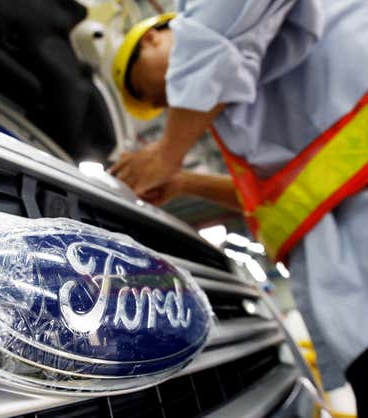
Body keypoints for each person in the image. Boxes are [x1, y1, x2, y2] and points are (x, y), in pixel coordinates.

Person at [108, 1, 368, 415]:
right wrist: (181, 182)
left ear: (154, 36)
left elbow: (213, 34)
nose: (161, 103)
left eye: (146, 90)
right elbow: (279, 198)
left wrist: (167, 153)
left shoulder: (217, 28)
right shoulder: (254, 111)